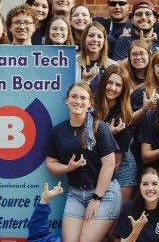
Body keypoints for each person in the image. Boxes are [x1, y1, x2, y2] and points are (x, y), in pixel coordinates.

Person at [45, 83, 120, 242]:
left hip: (104, 194)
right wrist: (68, 167)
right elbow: (51, 163)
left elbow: (109, 164)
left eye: (83, 98)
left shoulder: (98, 127)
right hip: (76, 194)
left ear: (90, 103)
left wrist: (97, 198)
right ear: (67, 100)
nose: (78, 101)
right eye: (74, 96)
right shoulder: (58, 131)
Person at [93, 65, 135, 202]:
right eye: (110, 82)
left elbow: (116, 162)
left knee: (114, 215)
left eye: (118, 85)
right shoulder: (91, 104)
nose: (112, 88)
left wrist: (106, 136)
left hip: (121, 167)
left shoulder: (123, 116)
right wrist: (106, 133)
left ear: (123, 89)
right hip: (96, 163)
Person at [114, 168, 159, 242]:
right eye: (145, 184)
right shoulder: (128, 207)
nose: (150, 188)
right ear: (140, 187)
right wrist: (136, 231)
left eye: (155, 184)